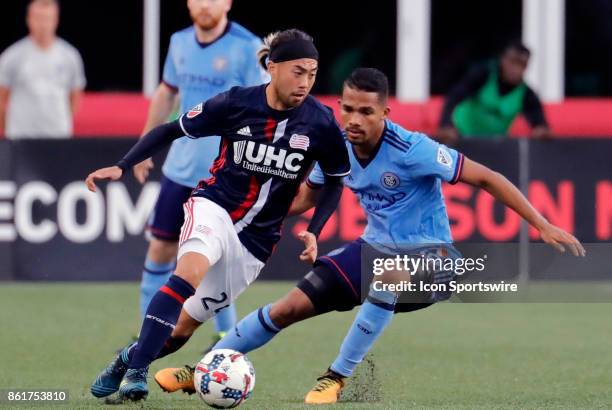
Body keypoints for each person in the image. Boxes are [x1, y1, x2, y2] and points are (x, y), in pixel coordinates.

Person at [155, 68, 585, 403]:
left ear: (385, 114)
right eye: (348, 109)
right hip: (374, 250)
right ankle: (207, 368)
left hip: (436, 261)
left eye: (366, 112)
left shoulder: (413, 150)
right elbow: (309, 195)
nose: (354, 120)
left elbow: (487, 177)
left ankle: (335, 377)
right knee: (287, 307)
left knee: (391, 276)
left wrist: (541, 223)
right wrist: (249, 216)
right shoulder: (335, 144)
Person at [86, 29, 351, 403]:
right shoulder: (235, 103)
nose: (306, 81)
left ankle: (127, 359)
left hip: (257, 242)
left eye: (312, 72)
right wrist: (122, 165)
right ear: (271, 67)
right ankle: (137, 373)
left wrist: (315, 229)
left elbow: (336, 181)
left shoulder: (321, 123)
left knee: (180, 331)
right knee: (186, 275)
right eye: (297, 71)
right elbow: (169, 130)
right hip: (214, 206)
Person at [134, 0, 269, 350]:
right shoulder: (179, 42)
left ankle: (226, 337)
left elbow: (267, 104)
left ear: (227, 3)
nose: (205, 4)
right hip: (180, 168)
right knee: (161, 249)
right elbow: (167, 92)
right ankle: (147, 332)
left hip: (226, 174)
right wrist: (146, 143)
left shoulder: (248, 46)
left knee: (217, 257)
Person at [0, 0, 86, 139]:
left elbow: (75, 96)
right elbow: (2, 100)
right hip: (21, 137)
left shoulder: (70, 56)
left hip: (57, 136)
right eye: (38, 18)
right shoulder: (12, 56)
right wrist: (9, 132)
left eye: (47, 19)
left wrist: (60, 123)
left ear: (56, 20)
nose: (43, 25)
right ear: (29, 19)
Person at [437, 41, 550, 145]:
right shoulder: (483, 75)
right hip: (462, 137)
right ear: (502, 60)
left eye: (521, 65)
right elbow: (454, 97)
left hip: (494, 145)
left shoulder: (526, 94)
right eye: (512, 62)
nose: (515, 69)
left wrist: (541, 130)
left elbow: (539, 122)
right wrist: (446, 125)